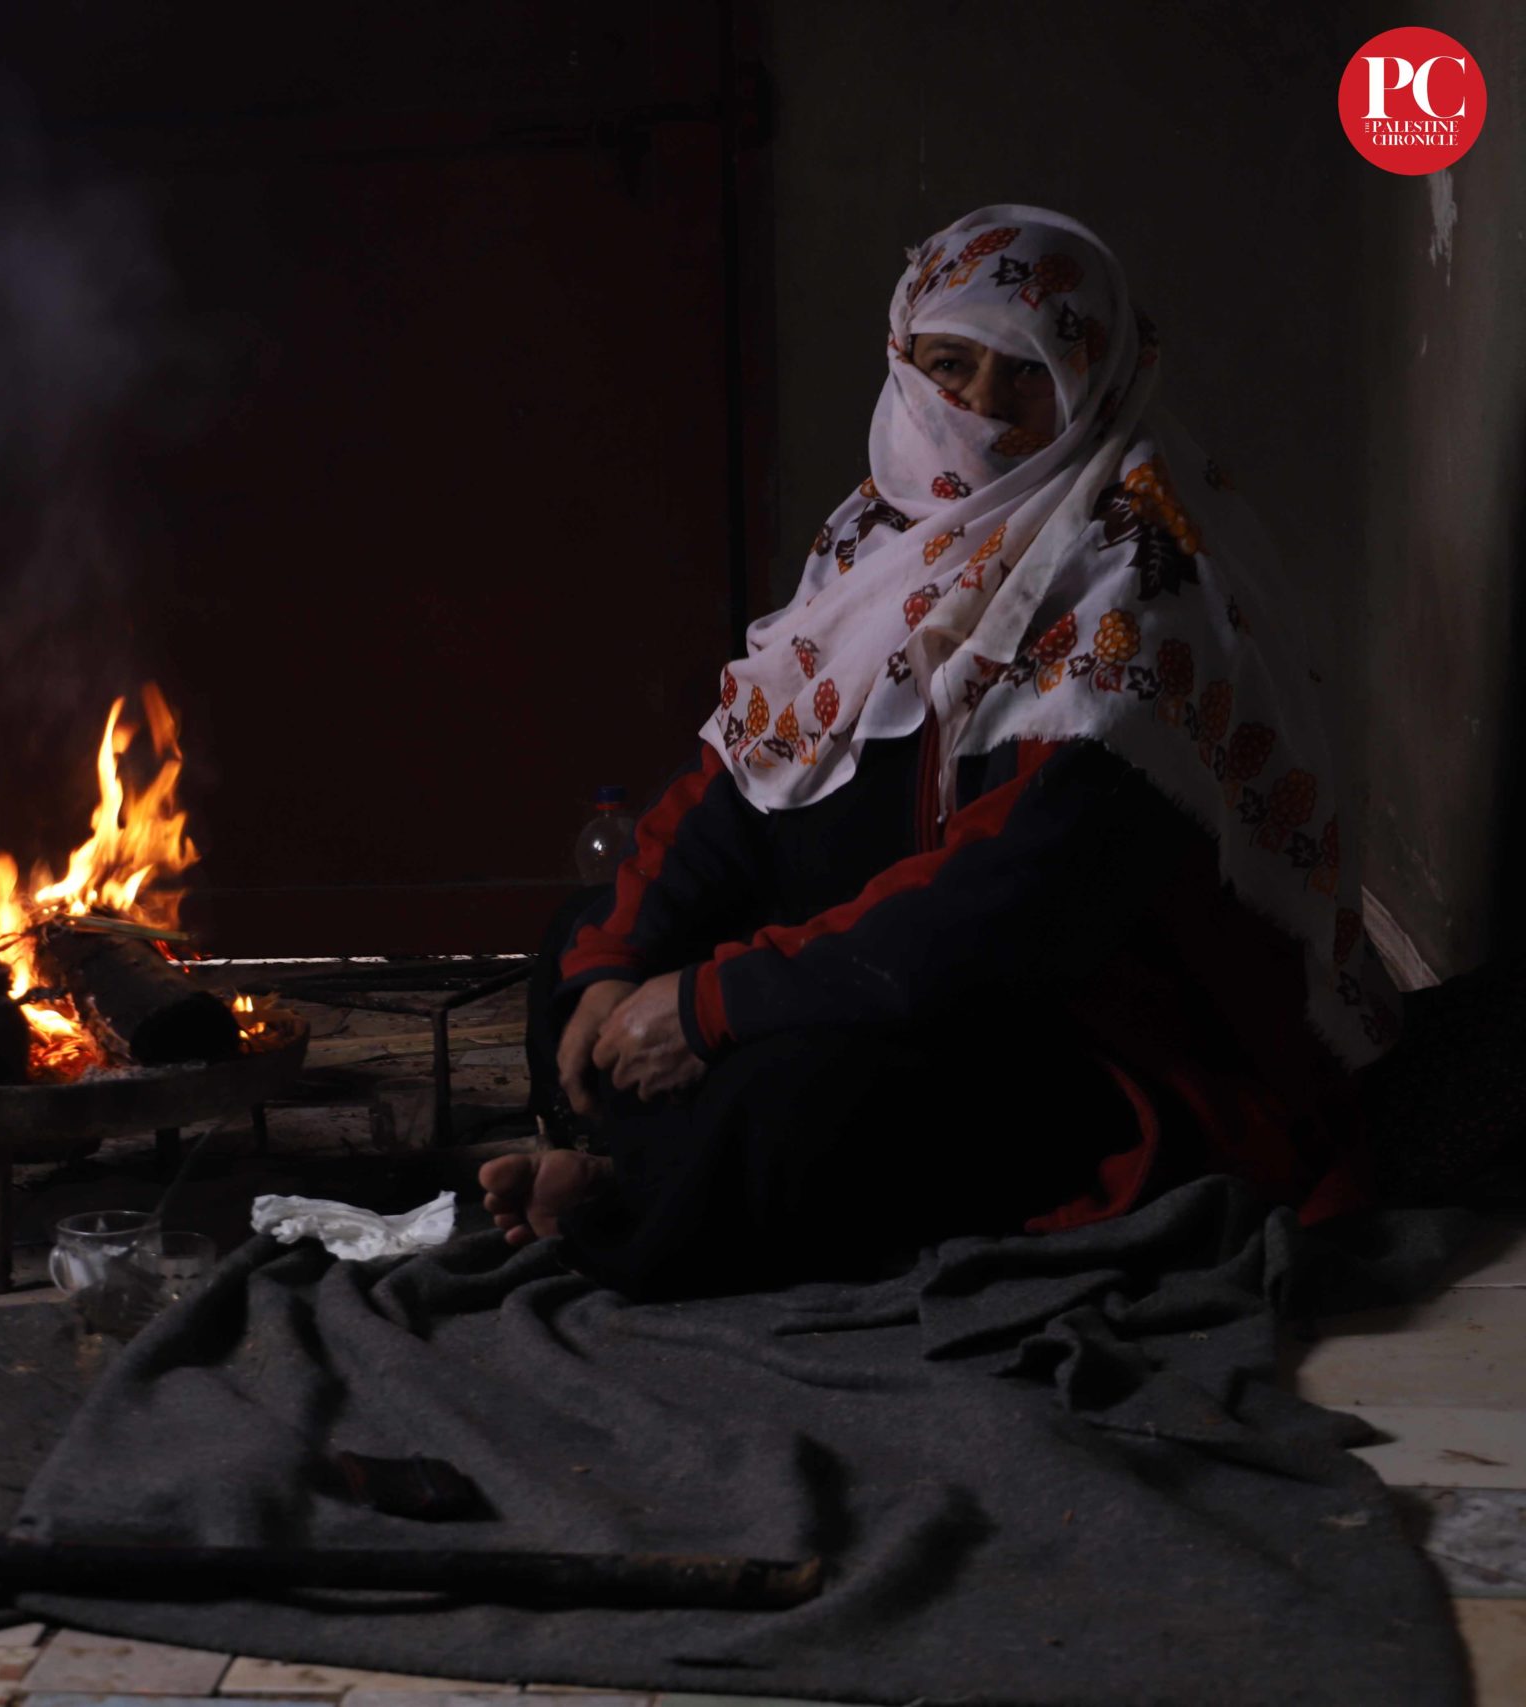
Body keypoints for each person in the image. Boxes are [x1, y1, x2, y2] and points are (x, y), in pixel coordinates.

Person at [483, 206, 1400, 1299]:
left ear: (1094, 383)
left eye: (1028, 373)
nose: (980, 407)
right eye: (950, 364)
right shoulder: (880, 537)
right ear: (902, 358)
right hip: (892, 964)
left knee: (796, 1103)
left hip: (1068, 1020)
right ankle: (636, 1171)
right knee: (584, 940)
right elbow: (742, 780)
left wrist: (710, 1007)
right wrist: (618, 970)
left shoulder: (1138, 574)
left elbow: (1007, 906)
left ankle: (627, 1192)